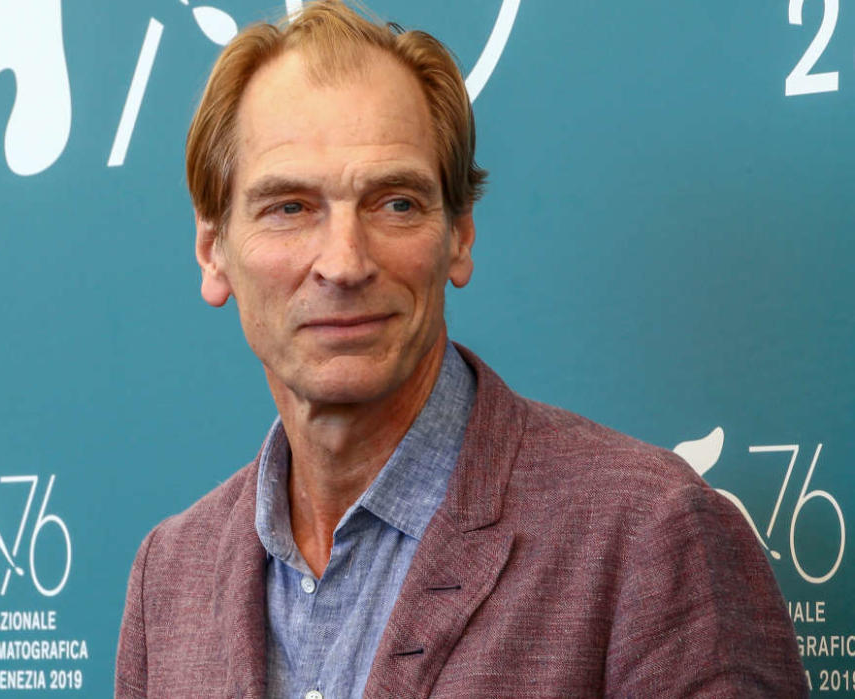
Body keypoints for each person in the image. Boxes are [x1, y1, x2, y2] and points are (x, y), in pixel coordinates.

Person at [115, 2, 806, 697]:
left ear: (459, 237)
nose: (344, 261)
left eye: (396, 203)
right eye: (290, 207)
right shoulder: (168, 576)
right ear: (214, 253)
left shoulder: (650, 535)